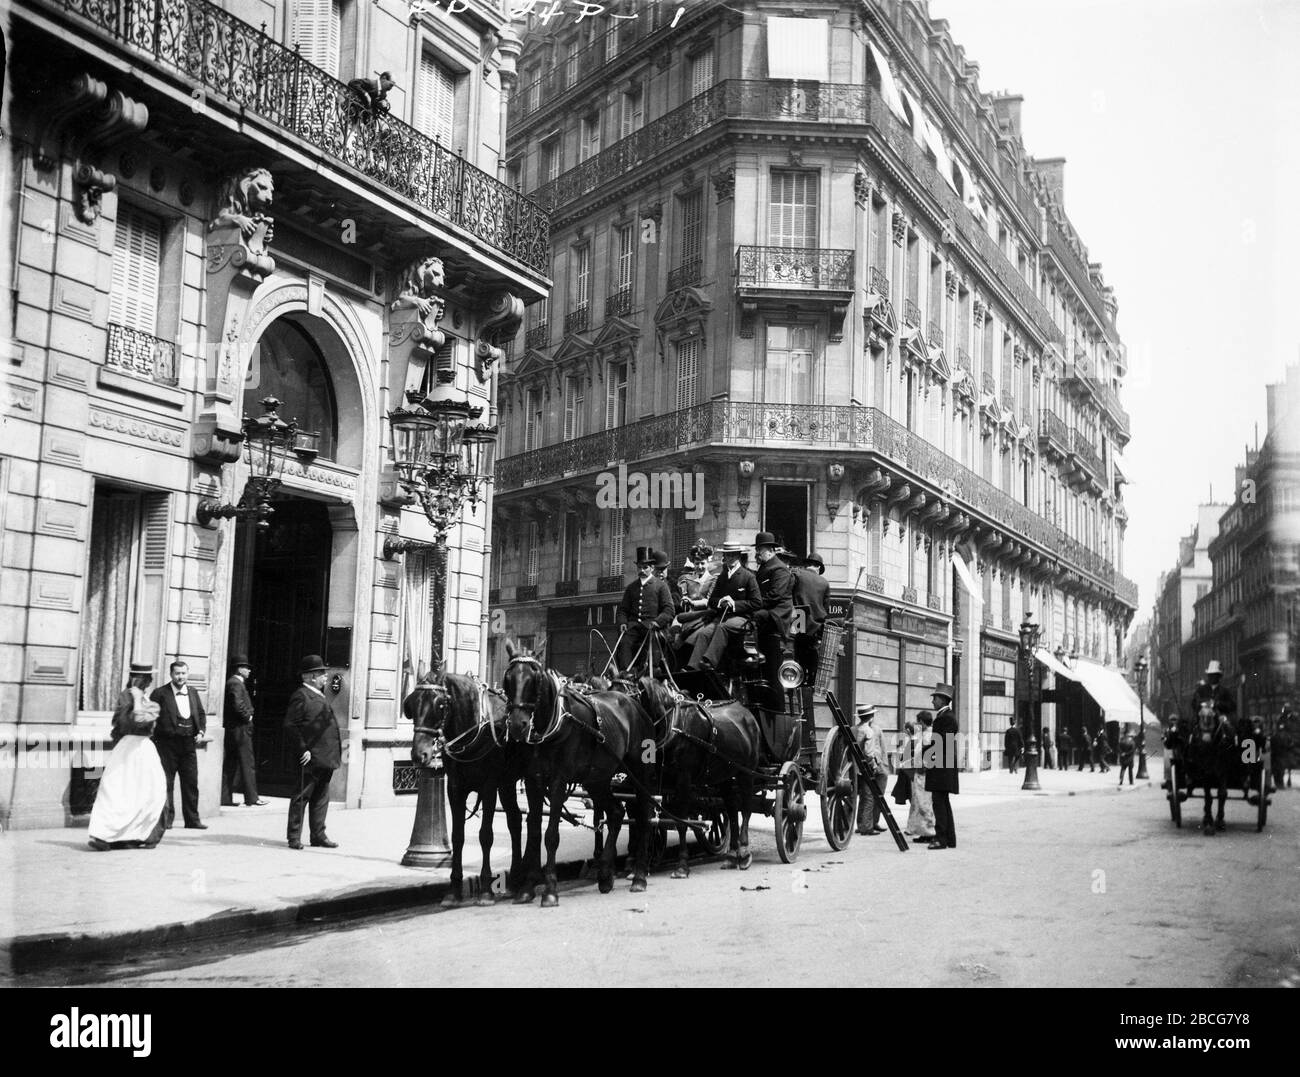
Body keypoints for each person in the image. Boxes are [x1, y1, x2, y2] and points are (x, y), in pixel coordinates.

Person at [88, 662, 167, 851]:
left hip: (142, 749)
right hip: (127, 748)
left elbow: (141, 721)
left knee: (149, 792)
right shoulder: (125, 698)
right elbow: (121, 724)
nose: (146, 682)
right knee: (117, 790)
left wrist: (138, 700)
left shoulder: (150, 702)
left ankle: (139, 835)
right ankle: (105, 834)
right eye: (144, 678)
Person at [285, 655, 343, 850]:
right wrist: (303, 749)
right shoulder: (301, 695)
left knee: (321, 797)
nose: (325, 677)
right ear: (310, 676)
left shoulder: (318, 695)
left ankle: (318, 835)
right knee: (302, 796)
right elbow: (290, 725)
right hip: (311, 756)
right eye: (321, 674)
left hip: (325, 756)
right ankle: (294, 837)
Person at [150, 660, 208, 830]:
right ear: (171, 674)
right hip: (167, 744)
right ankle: (167, 820)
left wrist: (201, 732)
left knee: (191, 783)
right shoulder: (160, 693)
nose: (180, 676)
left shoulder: (192, 691)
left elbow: (201, 714)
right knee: (167, 783)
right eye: (177, 673)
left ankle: (192, 820)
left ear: (187, 674)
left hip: (189, 744)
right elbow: (151, 717)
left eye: (183, 673)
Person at [688, 543, 761, 671]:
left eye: (733, 555)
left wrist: (734, 604)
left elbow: (756, 602)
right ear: (724, 557)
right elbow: (712, 601)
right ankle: (693, 668)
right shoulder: (722, 576)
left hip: (742, 619)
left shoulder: (748, 576)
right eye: (728, 555)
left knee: (723, 627)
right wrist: (721, 601)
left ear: (738, 556)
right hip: (722, 616)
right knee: (704, 633)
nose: (730, 558)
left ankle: (709, 662)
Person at [749, 532, 794, 705]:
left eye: (759, 550)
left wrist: (752, 604)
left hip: (776, 615)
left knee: (753, 617)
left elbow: (774, 596)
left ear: (769, 550)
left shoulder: (780, 568)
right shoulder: (764, 567)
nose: (757, 554)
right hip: (766, 610)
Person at [615, 547, 675, 672]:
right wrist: (622, 622)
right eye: (639, 567)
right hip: (633, 627)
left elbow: (669, 610)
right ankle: (625, 674)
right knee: (624, 642)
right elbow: (622, 610)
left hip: (652, 627)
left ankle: (650, 670)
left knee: (652, 643)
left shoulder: (661, 586)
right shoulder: (631, 588)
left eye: (645, 567)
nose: (642, 570)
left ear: (652, 568)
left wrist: (658, 622)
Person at [791, 551, 830, 743]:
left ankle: (796, 675)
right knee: (811, 650)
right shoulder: (824, 583)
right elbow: (826, 608)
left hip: (798, 619)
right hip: (815, 625)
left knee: (796, 647)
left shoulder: (797, 574)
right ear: (819, 568)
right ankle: (810, 679)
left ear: (807, 564)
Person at [222, 655, 266, 807]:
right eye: (246, 668)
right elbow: (237, 704)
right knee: (247, 762)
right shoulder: (236, 683)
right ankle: (252, 797)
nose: (248, 671)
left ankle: (225, 798)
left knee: (231, 763)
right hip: (240, 728)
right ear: (239, 669)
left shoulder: (234, 683)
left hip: (234, 728)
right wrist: (248, 717)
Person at [924, 681, 959, 850]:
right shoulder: (946, 717)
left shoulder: (945, 719)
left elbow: (940, 743)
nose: (933, 701)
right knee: (943, 802)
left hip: (941, 767)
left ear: (943, 700)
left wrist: (924, 752)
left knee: (939, 802)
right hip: (944, 766)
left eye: (935, 698)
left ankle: (941, 839)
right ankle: (950, 838)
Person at [853, 703, 887, 835]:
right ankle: (865, 825)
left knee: (874, 796)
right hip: (869, 766)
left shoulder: (873, 729)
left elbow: (882, 747)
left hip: (875, 766)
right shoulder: (864, 730)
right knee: (869, 797)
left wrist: (883, 765)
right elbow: (871, 751)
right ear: (871, 716)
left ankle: (872, 822)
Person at [904, 711, 937, 840]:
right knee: (920, 801)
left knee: (924, 802)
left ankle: (928, 832)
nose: (917, 724)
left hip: (924, 772)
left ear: (922, 722)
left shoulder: (928, 735)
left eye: (918, 722)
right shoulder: (926, 734)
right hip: (921, 771)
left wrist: (924, 766)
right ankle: (923, 830)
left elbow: (929, 755)